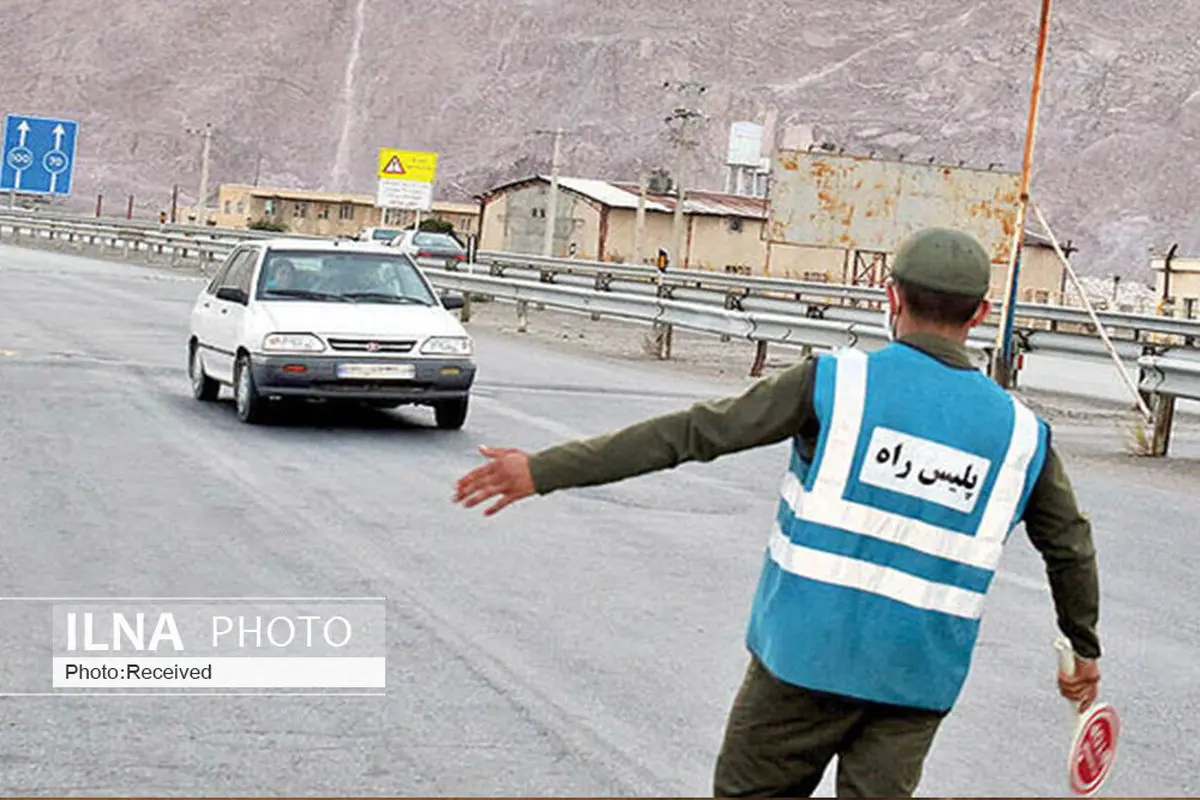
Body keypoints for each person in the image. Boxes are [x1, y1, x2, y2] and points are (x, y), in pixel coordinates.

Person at [452, 227, 1102, 797]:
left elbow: (691, 434)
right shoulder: (1022, 435)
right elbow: (1069, 546)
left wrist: (543, 470)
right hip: (915, 682)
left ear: (892, 299)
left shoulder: (834, 383)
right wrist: (1083, 650)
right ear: (981, 313)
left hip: (799, 666)